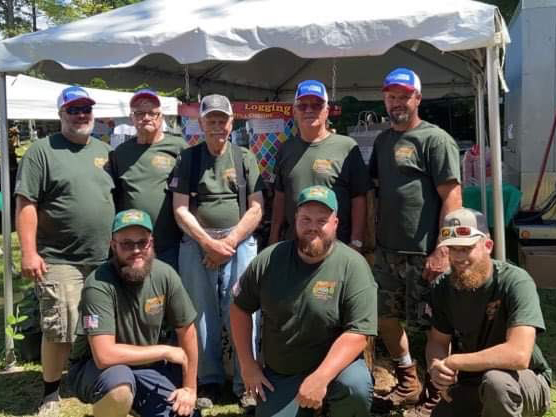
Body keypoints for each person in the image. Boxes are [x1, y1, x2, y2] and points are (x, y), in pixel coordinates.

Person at [231, 185, 377, 417]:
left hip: (337, 371)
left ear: (335, 223)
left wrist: (320, 378)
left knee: (355, 386)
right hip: (284, 371)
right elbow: (239, 309)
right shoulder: (269, 260)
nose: (313, 227)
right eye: (306, 219)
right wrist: (248, 365)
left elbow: (359, 333)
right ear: (295, 219)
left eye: (322, 221)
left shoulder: (353, 266)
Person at [14, 86, 115, 416]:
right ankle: (51, 393)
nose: (81, 115)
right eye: (74, 110)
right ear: (60, 115)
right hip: (59, 256)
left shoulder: (104, 150)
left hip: (103, 256)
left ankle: (91, 377)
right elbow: (26, 203)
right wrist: (28, 252)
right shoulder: (42, 151)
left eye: (86, 108)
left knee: (99, 322)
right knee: (60, 325)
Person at [368, 67, 462, 412]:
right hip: (388, 252)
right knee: (385, 319)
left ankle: (439, 395)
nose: (396, 102)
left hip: (426, 253)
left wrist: (443, 248)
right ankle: (408, 380)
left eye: (404, 96)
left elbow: (452, 196)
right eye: (391, 96)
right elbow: (376, 192)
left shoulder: (435, 139)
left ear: (417, 98)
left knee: (437, 326)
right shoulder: (382, 141)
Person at [405, 207, 552, 417]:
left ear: (488, 246)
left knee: (497, 384)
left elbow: (519, 355)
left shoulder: (515, 281)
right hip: (472, 381)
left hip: (524, 380)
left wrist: (455, 362)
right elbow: (437, 341)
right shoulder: (442, 287)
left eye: (466, 248)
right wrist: (437, 368)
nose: (458, 257)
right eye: (453, 248)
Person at [170, 94, 264, 409]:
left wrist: (231, 242)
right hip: (198, 242)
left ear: (231, 122)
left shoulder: (245, 157)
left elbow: (256, 208)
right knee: (200, 312)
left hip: (238, 241)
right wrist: (208, 243)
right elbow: (180, 209)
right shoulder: (188, 158)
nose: (217, 126)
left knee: (243, 308)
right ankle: (208, 381)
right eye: (210, 120)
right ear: (201, 123)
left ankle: (245, 382)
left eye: (222, 120)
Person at [67, 209, 200, 417]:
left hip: (146, 368)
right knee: (119, 388)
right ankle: (115, 406)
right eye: (127, 244)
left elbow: (187, 331)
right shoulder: (98, 284)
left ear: (151, 243)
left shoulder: (165, 275)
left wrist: (190, 389)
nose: (136, 250)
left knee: (184, 413)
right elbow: (104, 355)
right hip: (96, 368)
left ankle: (134, 405)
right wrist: (164, 351)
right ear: (113, 246)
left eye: (142, 242)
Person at [269, 79, 369, 250]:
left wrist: (357, 241)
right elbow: (280, 197)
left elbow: (359, 198)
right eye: (302, 105)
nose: (309, 110)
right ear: (294, 111)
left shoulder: (347, 147)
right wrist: (273, 238)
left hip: (336, 247)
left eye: (317, 105)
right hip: (293, 246)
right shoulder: (286, 149)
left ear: (327, 111)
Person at [110, 89, 186, 271]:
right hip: (133, 246)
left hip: (171, 243)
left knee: (169, 292)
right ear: (132, 118)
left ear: (161, 117)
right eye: (140, 113)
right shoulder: (120, 153)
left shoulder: (178, 147)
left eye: (152, 113)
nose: (146, 117)